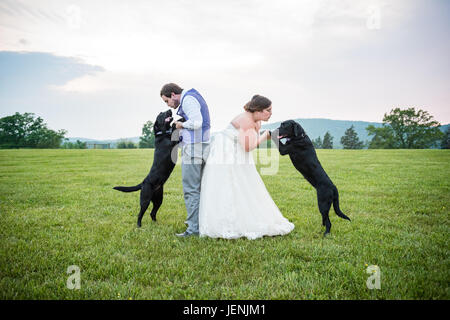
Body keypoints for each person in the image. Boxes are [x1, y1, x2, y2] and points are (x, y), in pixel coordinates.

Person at [198, 95, 294, 239]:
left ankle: (244, 216)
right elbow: (248, 146)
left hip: (238, 153)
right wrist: (265, 136)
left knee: (245, 185)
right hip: (227, 153)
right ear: (258, 110)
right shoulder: (246, 121)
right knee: (230, 185)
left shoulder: (255, 120)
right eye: (267, 110)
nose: (270, 113)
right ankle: (228, 222)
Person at [160, 83, 211, 237]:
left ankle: (193, 229)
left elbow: (196, 123)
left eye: (166, 101)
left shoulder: (188, 99)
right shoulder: (195, 95)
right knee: (201, 188)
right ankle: (201, 224)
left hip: (194, 148)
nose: (169, 104)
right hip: (204, 146)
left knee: (191, 189)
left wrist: (180, 124)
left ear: (173, 94)